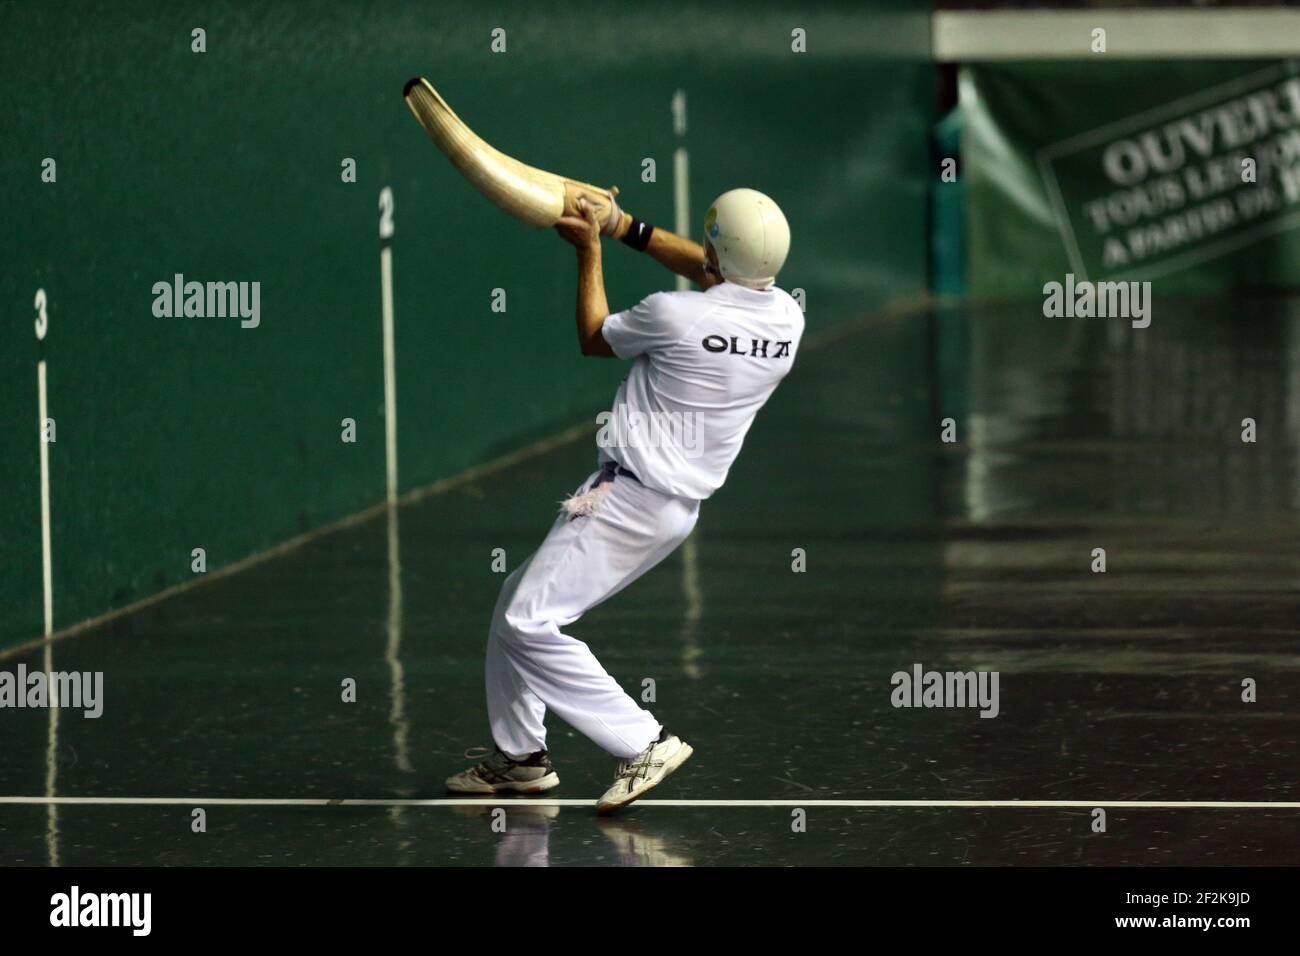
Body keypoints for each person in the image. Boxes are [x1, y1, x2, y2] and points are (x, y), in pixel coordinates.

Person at [447, 188, 803, 814]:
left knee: (527, 621)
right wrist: (624, 226)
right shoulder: (786, 321)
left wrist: (590, 249)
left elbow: (593, 336)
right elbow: (715, 270)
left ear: (717, 256)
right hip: (673, 510)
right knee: (518, 602)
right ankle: (522, 760)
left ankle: (645, 740)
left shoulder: (674, 315)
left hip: (625, 500)